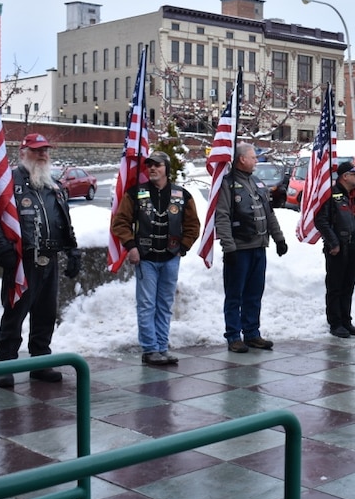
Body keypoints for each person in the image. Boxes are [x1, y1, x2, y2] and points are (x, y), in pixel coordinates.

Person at [0, 133, 81, 387]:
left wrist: (73, 251)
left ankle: (40, 362)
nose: (43, 155)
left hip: (50, 259)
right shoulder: (7, 183)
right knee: (15, 314)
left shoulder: (54, 186)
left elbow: (64, 222)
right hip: (22, 261)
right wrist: (2, 246)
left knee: (46, 314)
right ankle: (6, 364)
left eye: (45, 150)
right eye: (37, 151)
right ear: (23, 153)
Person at [111, 150, 200, 364]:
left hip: (170, 258)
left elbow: (193, 225)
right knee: (146, 304)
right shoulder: (135, 194)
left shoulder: (183, 195)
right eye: (149, 165)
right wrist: (130, 246)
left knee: (164, 304)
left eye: (157, 165)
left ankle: (162, 346)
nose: (152, 168)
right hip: (146, 258)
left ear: (166, 169)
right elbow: (120, 223)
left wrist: (183, 247)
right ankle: (150, 349)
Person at [215, 143, 288, 352]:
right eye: (253, 157)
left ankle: (252, 333)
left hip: (259, 247)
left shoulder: (257, 182)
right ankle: (233, 336)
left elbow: (269, 213)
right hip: (238, 249)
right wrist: (228, 248)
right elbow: (222, 217)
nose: (256, 160)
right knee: (235, 294)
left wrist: (279, 238)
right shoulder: (227, 184)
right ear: (242, 159)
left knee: (254, 293)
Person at [315, 160, 355, 338]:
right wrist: (333, 242)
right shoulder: (331, 194)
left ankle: (346, 320)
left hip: (353, 246)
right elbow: (321, 221)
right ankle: (335, 322)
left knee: (348, 286)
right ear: (345, 177)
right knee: (335, 287)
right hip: (337, 249)